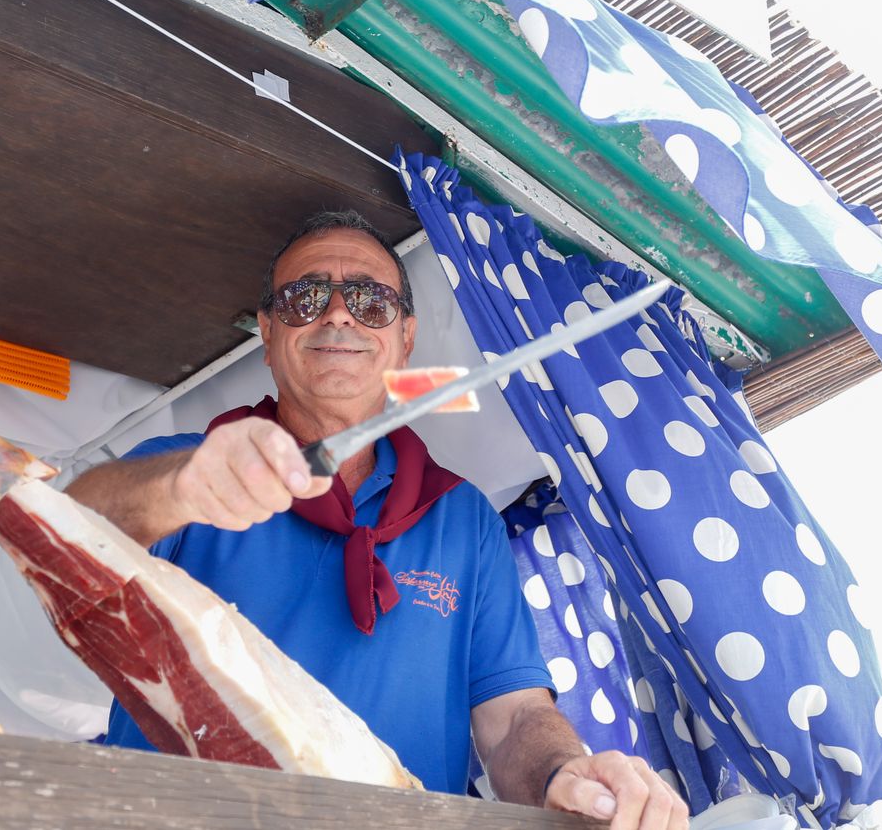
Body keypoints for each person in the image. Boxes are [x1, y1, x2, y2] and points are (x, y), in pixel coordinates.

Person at [69, 211, 687, 830]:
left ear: (406, 336)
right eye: (305, 297)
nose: (338, 315)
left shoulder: (464, 518)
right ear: (266, 330)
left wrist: (561, 771)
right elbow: (76, 531)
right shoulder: (179, 470)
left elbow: (514, 721)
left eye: (369, 300)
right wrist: (183, 484)